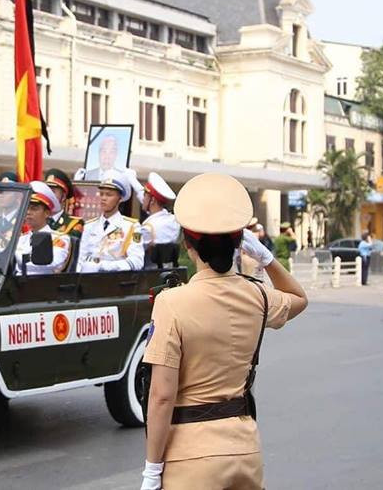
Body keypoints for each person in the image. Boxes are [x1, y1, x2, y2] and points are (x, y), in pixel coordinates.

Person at [141, 172, 308, 490]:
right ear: (239, 244)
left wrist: (152, 470)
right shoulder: (258, 295)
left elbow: (162, 397)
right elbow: (300, 299)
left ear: (189, 245)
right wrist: (267, 258)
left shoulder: (171, 303)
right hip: (245, 449)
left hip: (190, 455)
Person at [77, 174, 143, 272]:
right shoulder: (89, 225)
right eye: (101, 194)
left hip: (115, 280)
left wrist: (105, 266)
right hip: (87, 279)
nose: (103, 198)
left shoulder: (132, 227)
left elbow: (137, 261)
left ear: (120, 198)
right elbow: (80, 258)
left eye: (109, 195)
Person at [15, 181, 70, 275]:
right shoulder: (21, 239)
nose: (28, 212)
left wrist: (19, 257)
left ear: (47, 213)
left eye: (34, 208)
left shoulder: (58, 239)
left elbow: (51, 264)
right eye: (26, 208)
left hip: (42, 285)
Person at [137, 172, 181, 263]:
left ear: (152, 200)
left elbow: (134, 247)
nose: (142, 199)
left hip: (148, 271)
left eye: (145, 196)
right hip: (169, 270)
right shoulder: (173, 221)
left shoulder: (147, 228)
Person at [44, 168, 83, 239]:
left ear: (63, 196)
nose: (48, 195)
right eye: (47, 191)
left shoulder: (73, 224)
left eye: (53, 192)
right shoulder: (38, 219)